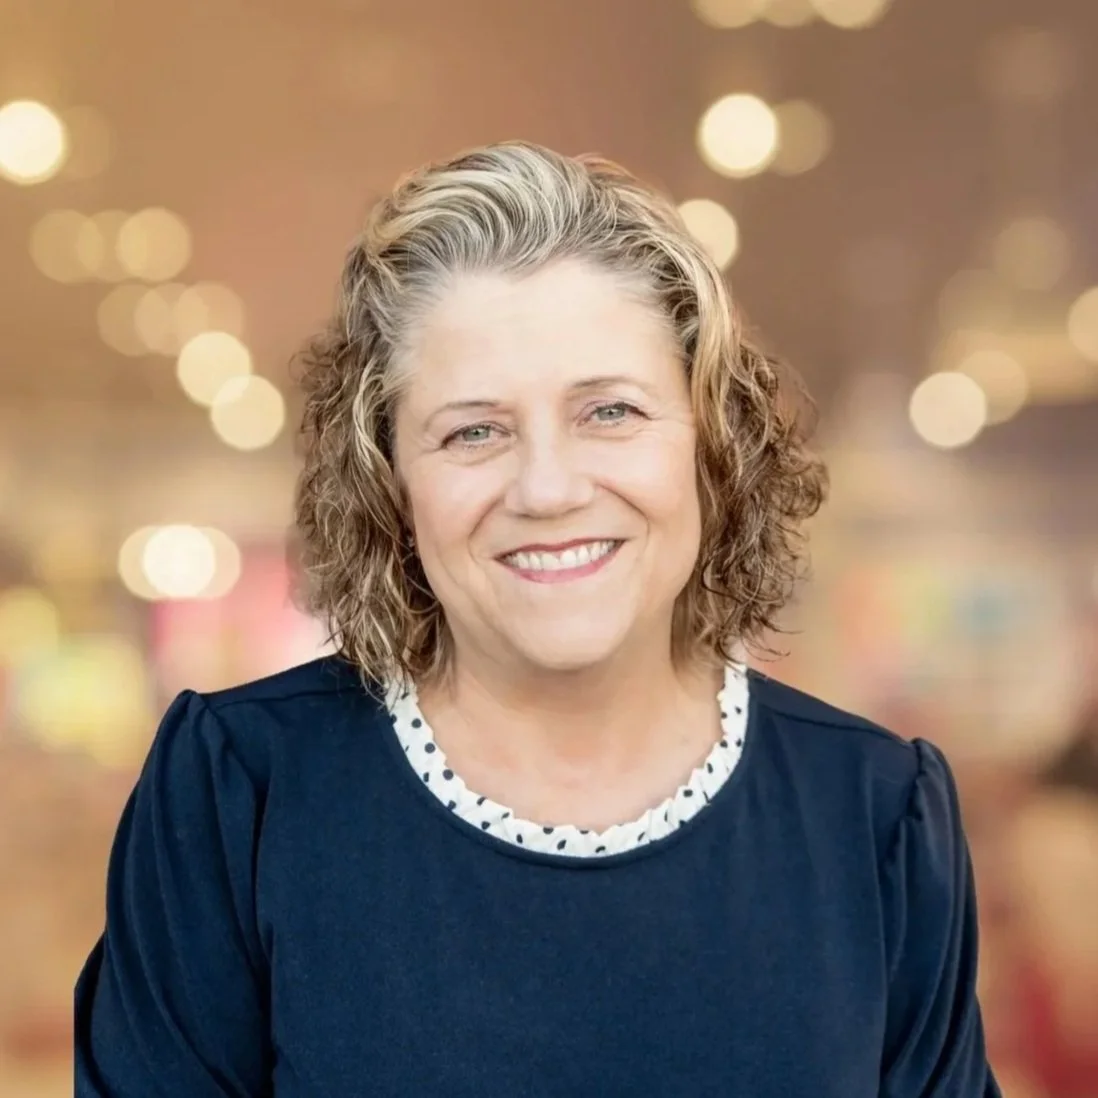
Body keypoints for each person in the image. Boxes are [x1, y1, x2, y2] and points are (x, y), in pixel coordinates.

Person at [74, 141, 1002, 1096]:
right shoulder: (240, 795)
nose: (549, 489)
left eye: (610, 412)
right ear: (389, 479)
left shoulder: (875, 813)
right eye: (473, 430)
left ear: (712, 442)